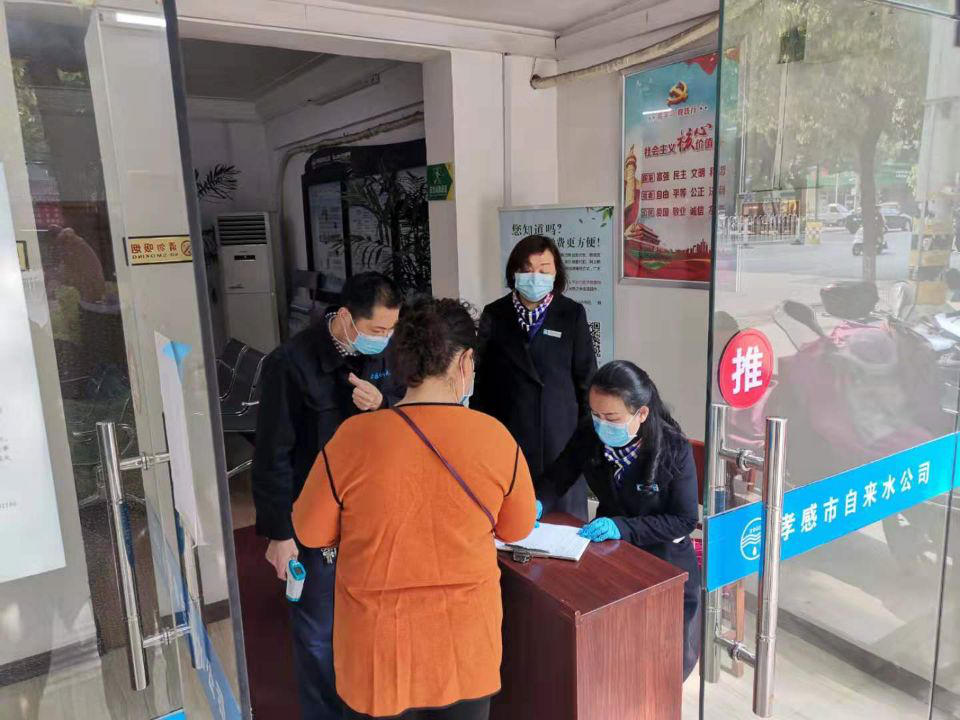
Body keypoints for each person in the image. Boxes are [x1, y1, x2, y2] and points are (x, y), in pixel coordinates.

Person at [292, 297, 537, 720]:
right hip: (465, 647)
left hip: (377, 651)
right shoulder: (495, 437)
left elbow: (310, 532)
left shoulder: (352, 438)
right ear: (465, 362)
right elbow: (516, 529)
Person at [252, 272, 403, 720]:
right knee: (318, 633)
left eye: (391, 329)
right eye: (377, 329)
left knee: (371, 621)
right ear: (346, 318)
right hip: (314, 520)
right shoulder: (290, 364)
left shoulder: (386, 353)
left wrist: (383, 405)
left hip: (372, 515)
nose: (385, 338)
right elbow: (273, 454)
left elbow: (407, 411)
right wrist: (280, 534)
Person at [542, 361, 701, 678]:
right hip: (612, 558)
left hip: (663, 563)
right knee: (613, 655)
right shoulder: (590, 435)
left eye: (611, 418)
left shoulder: (672, 448)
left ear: (641, 413)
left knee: (660, 668)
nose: (602, 425)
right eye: (595, 415)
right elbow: (559, 476)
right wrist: (535, 502)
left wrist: (622, 527)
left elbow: (683, 519)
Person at [472, 234, 597, 520]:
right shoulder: (495, 314)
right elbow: (482, 385)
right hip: (509, 438)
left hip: (560, 442)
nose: (535, 276)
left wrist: (584, 441)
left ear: (556, 273)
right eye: (527, 269)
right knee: (511, 523)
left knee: (563, 525)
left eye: (543, 269)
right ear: (514, 273)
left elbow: (587, 381)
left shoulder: (572, 314)